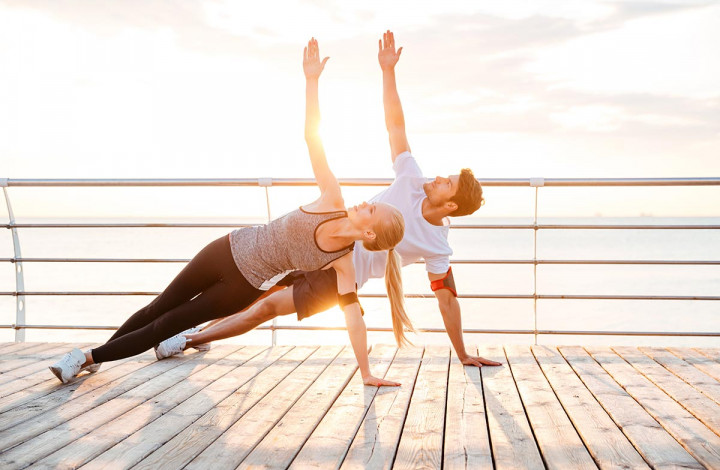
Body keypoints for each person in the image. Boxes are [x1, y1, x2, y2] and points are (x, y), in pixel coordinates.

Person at [49, 38, 410, 387]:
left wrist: (365, 372)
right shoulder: (333, 198)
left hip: (242, 286)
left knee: (167, 325)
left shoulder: (344, 263)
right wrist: (311, 80)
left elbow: (353, 319)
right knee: (158, 306)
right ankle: (98, 357)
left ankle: (85, 358)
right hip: (226, 248)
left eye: (372, 210)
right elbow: (312, 138)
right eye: (372, 202)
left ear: (369, 234)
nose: (366, 202)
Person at [158, 31, 502, 369]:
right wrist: (387, 71)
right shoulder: (412, 177)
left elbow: (447, 301)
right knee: (253, 290)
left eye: (448, 183)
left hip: (341, 277)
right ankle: (185, 329)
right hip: (323, 240)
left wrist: (463, 354)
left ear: (451, 205)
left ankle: (187, 340)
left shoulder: (438, 245)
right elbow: (395, 126)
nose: (439, 177)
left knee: (266, 309)